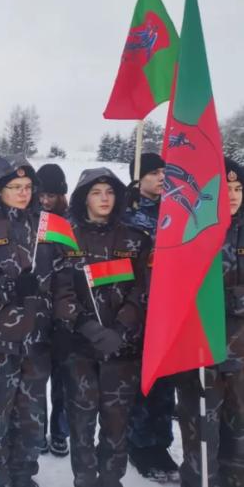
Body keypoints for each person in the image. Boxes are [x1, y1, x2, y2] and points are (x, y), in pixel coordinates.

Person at [0, 154, 69, 487]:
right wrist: (8, 288)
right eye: (15, 187)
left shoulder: (49, 227)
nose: (23, 193)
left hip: (37, 343)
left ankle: (23, 476)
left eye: (27, 186)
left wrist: (63, 323)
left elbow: (66, 279)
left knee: (31, 421)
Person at [54, 168, 150, 487]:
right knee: (81, 422)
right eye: (96, 192)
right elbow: (59, 289)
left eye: (109, 192)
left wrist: (120, 330)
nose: (104, 198)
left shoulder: (135, 239)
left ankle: (111, 479)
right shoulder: (65, 238)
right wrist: (89, 328)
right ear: (84, 198)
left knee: (116, 422)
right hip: (80, 348)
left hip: (122, 350)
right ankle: (84, 479)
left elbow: (142, 290)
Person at [174, 157, 244, 487]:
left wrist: (232, 298)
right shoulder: (190, 231)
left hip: (240, 355)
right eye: (226, 189)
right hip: (200, 352)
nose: (233, 195)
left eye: (238, 188)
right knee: (201, 432)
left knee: (239, 429)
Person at [123, 152, 179, 482]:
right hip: (137, 309)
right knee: (141, 383)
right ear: (138, 176)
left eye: (163, 172)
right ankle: (140, 445)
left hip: (170, 309)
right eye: (153, 172)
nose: (161, 177)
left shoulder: (173, 211)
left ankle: (161, 444)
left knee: (165, 382)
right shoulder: (125, 213)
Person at [35, 163, 70, 458]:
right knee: (36, 379)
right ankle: (38, 430)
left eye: (52, 196)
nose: (46, 201)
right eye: (42, 194)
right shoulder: (30, 221)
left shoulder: (69, 223)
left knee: (64, 378)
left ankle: (60, 431)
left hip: (67, 312)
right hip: (37, 312)